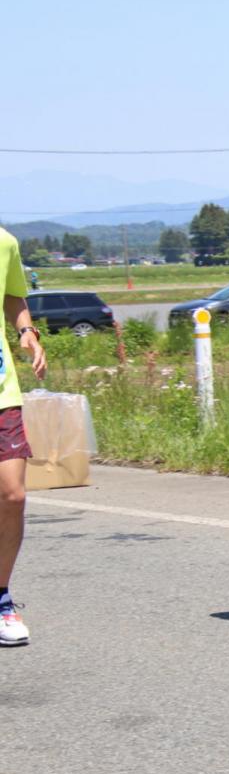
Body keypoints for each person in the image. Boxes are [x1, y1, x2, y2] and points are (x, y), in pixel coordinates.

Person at [0, 227, 48, 646]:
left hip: (1, 390)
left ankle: (1, 598)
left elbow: (13, 296)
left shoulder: (4, 242)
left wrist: (25, 332)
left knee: (13, 496)